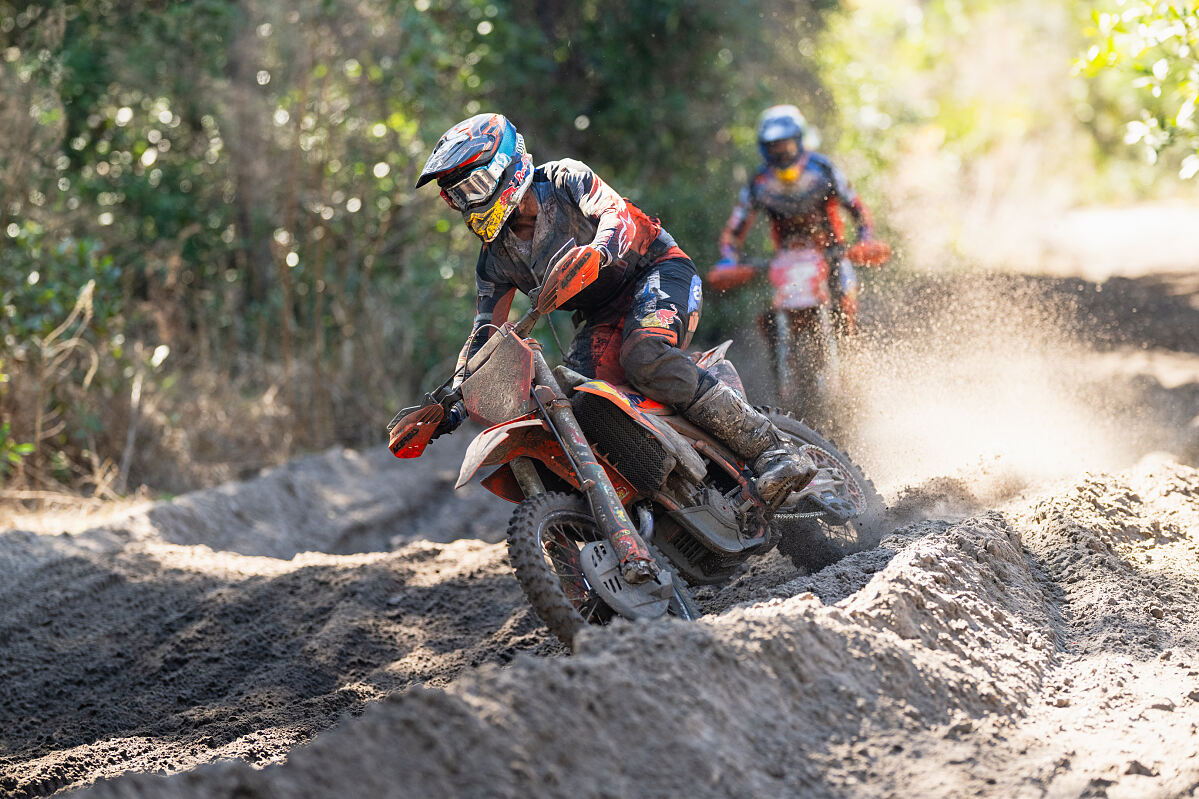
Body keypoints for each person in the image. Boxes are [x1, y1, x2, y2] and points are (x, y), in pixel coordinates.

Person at [414, 112, 814, 503]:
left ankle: (772, 449)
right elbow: (484, 334)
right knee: (581, 403)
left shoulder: (563, 178)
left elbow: (615, 214)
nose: (467, 202)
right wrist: (449, 408)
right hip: (602, 314)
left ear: (507, 166)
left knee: (646, 355)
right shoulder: (494, 259)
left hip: (658, 270)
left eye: (474, 186)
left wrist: (599, 251)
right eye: (457, 195)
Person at [716, 104, 876, 334]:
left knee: (846, 304)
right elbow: (735, 229)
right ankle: (779, 359)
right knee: (769, 318)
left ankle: (853, 358)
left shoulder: (823, 170)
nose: (781, 153)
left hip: (832, 253)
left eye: (787, 145)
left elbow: (857, 208)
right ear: (764, 149)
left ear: (800, 141)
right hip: (787, 260)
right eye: (774, 148)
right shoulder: (759, 182)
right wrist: (729, 259)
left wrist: (865, 240)